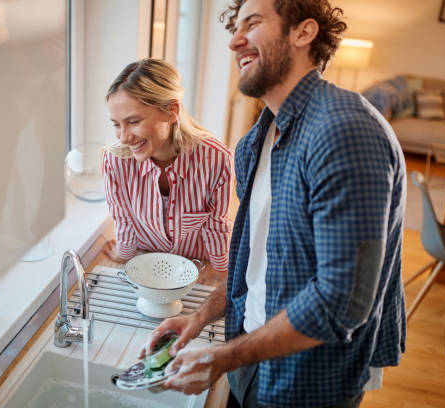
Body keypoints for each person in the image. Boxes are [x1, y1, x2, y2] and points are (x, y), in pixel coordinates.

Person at [140, 1, 407, 407]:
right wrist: (201, 317)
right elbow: (256, 266)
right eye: (235, 27)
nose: (234, 41)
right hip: (251, 355)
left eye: (253, 23)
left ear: (303, 33)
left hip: (311, 379)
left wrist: (222, 357)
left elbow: (341, 304)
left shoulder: (346, 131)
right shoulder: (255, 141)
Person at [102, 58, 234, 274]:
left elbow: (216, 225)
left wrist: (221, 273)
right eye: (117, 124)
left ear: (171, 111)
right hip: (145, 261)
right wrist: (124, 254)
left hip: (195, 265)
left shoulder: (216, 159)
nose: (124, 137)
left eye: (133, 121)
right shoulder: (115, 160)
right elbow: (123, 217)